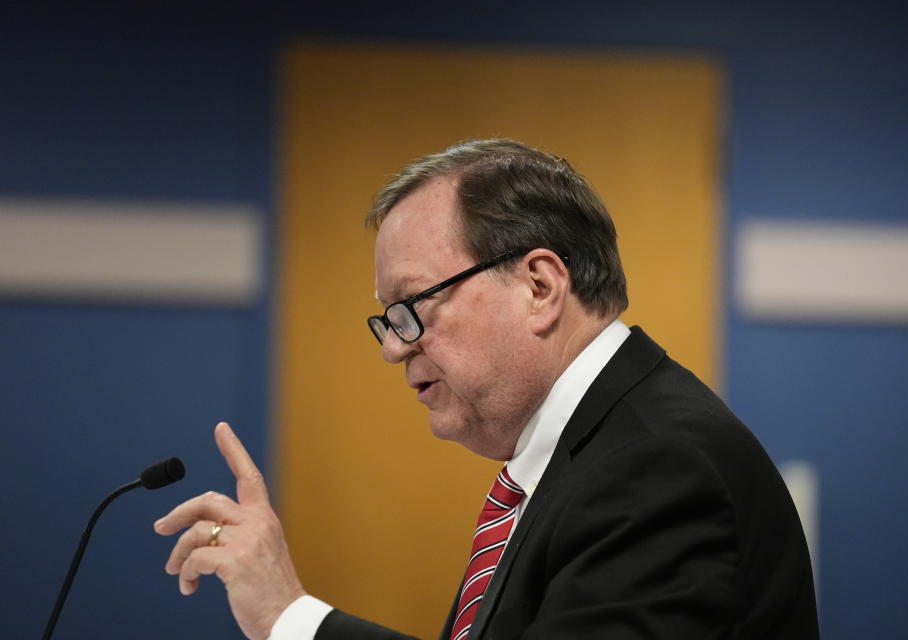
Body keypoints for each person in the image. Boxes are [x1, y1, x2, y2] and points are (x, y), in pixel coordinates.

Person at [154, 139, 819, 639]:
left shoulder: (660, 466)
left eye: (412, 305)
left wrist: (287, 615)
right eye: (386, 319)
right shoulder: (594, 457)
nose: (393, 347)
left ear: (540, 287)